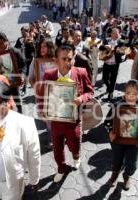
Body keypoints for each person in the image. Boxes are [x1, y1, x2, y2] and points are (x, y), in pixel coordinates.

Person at [38, 45, 93, 183]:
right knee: (57, 148)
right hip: (55, 120)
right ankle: (61, 169)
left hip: (73, 120)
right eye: (64, 59)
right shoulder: (49, 75)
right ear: (56, 60)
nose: (68, 62)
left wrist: (81, 99)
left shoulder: (81, 72)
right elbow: (43, 95)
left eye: (70, 58)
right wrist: (43, 110)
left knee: (74, 145)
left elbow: (90, 92)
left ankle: (76, 156)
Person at [104, 79, 138, 190]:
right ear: (125, 93)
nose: (131, 96)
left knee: (132, 164)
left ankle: (127, 175)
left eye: (134, 94)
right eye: (128, 93)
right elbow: (107, 122)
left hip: (135, 142)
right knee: (116, 160)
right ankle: (114, 175)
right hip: (118, 141)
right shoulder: (117, 105)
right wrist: (110, 132)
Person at [0, 32, 26, 113]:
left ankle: (20, 116)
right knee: (2, 102)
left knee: (17, 102)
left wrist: (22, 76)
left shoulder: (15, 52)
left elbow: (23, 65)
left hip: (13, 81)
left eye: (1, 43)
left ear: (7, 41)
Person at [99, 28, 126, 100]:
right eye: (115, 33)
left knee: (113, 79)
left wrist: (118, 51)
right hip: (106, 62)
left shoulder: (121, 42)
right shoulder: (107, 40)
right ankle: (109, 88)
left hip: (115, 63)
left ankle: (110, 93)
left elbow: (123, 52)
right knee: (105, 78)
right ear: (111, 34)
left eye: (118, 33)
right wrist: (105, 46)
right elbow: (100, 47)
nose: (117, 35)